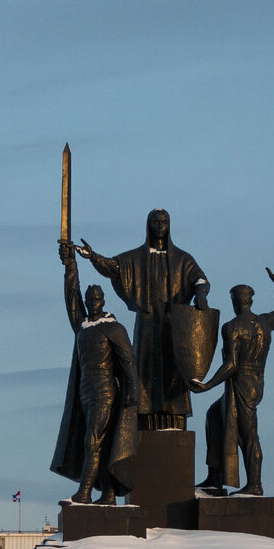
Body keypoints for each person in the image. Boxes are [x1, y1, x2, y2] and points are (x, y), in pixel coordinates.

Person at [74, 208, 210, 430]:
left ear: (169, 225)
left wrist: (201, 293)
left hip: (173, 324)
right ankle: (145, 416)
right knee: (145, 367)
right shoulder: (137, 257)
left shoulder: (182, 259)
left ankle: (174, 418)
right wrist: (93, 256)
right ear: (149, 225)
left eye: (163, 221)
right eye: (155, 221)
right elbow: (113, 267)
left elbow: (200, 279)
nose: (159, 224)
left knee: (173, 368)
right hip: (147, 323)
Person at [190, 259, 274, 495]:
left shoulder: (232, 327)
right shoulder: (264, 322)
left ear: (235, 302)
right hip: (257, 382)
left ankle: (255, 484)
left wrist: (207, 385)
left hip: (242, 382)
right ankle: (214, 477)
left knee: (248, 434)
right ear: (250, 301)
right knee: (215, 415)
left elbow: (232, 364)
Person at [51, 242, 138, 503]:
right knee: (101, 442)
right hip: (85, 391)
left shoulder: (114, 328)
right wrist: (70, 265)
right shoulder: (83, 326)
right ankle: (109, 493)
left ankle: (85, 492)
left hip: (105, 391)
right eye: (89, 301)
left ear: (103, 301)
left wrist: (133, 393)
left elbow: (129, 362)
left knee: (93, 441)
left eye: (96, 300)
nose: (92, 303)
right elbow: (71, 294)